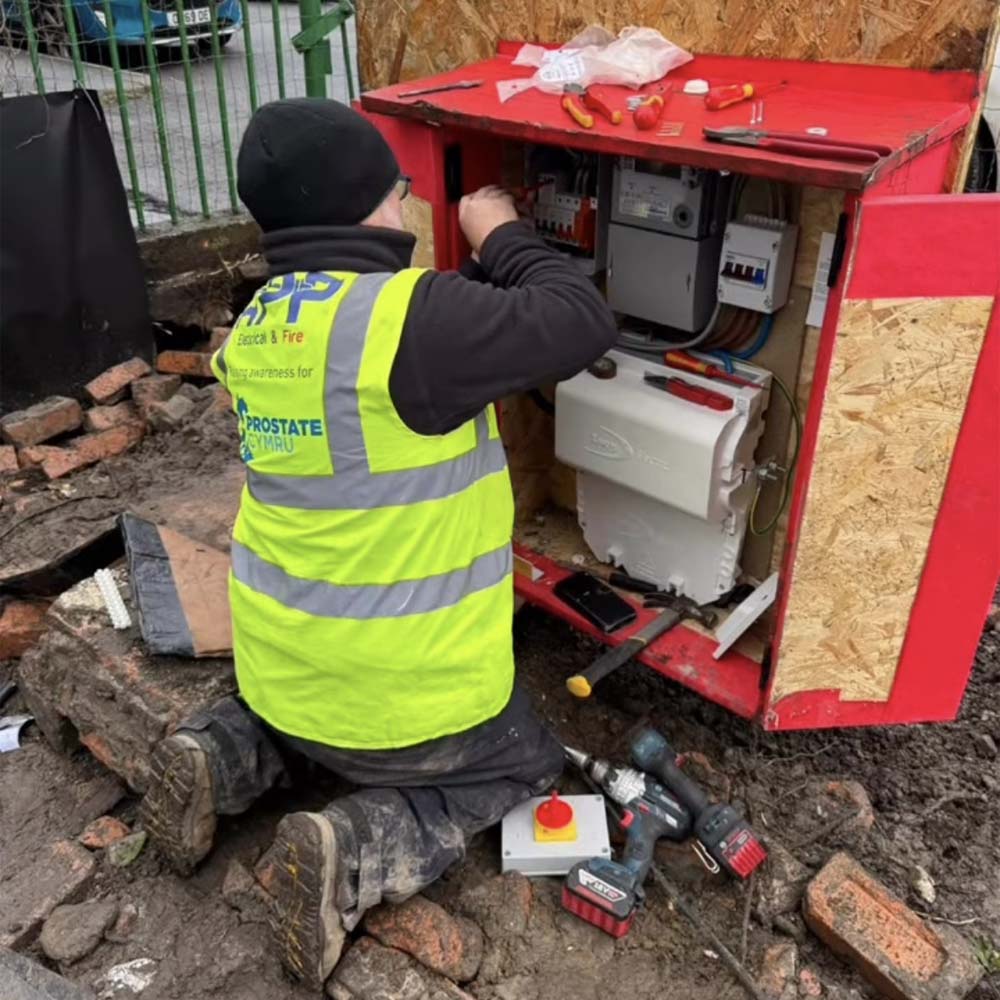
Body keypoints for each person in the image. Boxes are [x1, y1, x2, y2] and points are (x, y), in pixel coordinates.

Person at [139, 97, 618, 990]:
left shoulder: (258, 325)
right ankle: (358, 851)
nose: (404, 209)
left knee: (308, 721)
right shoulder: (415, 322)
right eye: (396, 191)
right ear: (370, 205)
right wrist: (500, 229)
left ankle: (224, 755)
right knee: (525, 758)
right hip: (408, 700)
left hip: (281, 666)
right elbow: (580, 321)